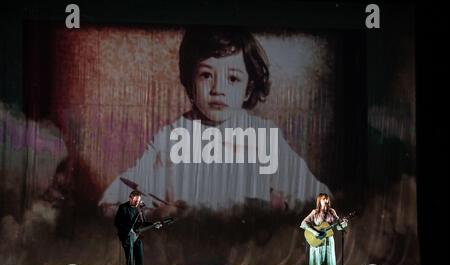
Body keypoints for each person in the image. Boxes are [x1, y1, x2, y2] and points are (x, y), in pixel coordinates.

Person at [100, 26, 331, 211]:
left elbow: (317, 196)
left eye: (233, 78)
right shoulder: (170, 137)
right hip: (187, 252)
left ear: (248, 89)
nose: (218, 89)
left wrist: (281, 209)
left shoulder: (263, 138)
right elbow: (113, 200)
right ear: (190, 83)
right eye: (206, 75)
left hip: (247, 253)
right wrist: (152, 212)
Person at [114, 190, 161, 265]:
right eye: (135, 201)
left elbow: (142, 222)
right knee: (130, 259)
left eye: (138, 201)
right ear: (130, 198)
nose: (137, 203)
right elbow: (117, 223)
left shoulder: (139, 209)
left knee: (139, 258)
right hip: (126, 237)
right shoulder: (123, 208)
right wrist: (128, 230)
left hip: (137, 236)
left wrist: (153, 224)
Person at [300, 193, 347, 265]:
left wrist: (343, 224)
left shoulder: (332, 212)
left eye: (327, 199)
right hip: (318, 241)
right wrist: (314, 232)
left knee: (327, 261)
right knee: (318, 260)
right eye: (323, 199)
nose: (326, 201)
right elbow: (303, 224)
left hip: (329, 240)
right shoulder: (315, 212)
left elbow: (337, 226)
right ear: (319, 201)